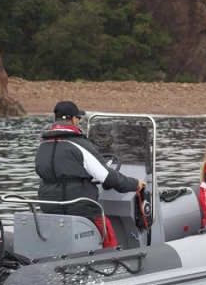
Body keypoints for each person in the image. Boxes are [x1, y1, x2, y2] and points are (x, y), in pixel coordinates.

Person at [35, 101, 145, 248]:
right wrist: (134, 183)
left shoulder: (43, 144)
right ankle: (111, 260)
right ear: (74, 119)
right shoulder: (80, 144)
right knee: (106, 229)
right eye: (78, 119)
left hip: (49, 204)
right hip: (78, 206)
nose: (79, 122)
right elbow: (107, 177)